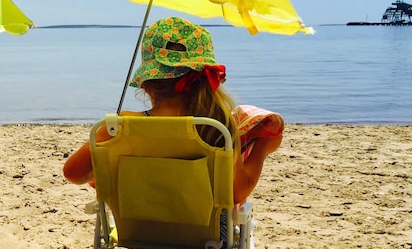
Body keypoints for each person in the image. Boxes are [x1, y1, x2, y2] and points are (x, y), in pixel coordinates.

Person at [63, 16, 283, 204]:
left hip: (138, 230)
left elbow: (73, 174)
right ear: (206, 82)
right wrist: (262, 144)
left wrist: (107, 169)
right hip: (205, 235)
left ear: (146, 84)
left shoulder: (119, 127)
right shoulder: (216, 128)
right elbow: (237, 192)